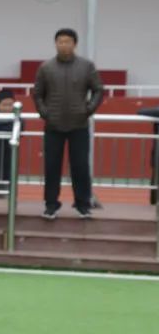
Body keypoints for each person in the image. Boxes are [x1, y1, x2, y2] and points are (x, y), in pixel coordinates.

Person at [33, 28, 104, 219]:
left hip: (79, 124)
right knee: (51, 166)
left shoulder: (87, 66)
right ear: (55, 44)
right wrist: (44, 113)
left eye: (68, 41)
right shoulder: (46, 67)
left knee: (80, 166)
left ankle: (82, 204)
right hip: (53, 125)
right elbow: (37, 94)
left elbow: (98, 89)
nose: (64, 45)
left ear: (75, 44)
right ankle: (51, 205)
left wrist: (87, 110)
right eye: (60, 41)